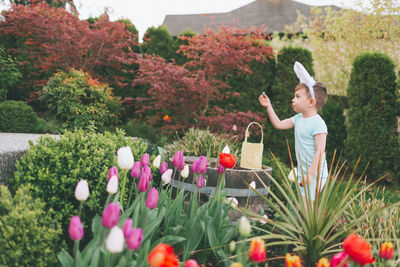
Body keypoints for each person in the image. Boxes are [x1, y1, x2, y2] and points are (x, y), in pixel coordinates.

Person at [258, 61, 329, 203]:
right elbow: (278, 124)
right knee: (304, 207)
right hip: (304, 172)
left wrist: (310, 174)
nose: (293, 99)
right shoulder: (298, 118)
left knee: (307, 206)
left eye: (297, 96)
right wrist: (269, 106)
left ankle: (312, 225)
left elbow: (320, 151)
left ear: (311, 102)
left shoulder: (318, 124)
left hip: (315, 173)